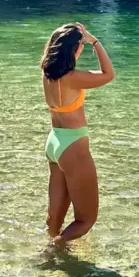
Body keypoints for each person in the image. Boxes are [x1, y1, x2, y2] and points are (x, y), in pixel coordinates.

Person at [40, 22, 114, 242]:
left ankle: (53, 244)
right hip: (73, 146)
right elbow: (108, 74)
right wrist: (95, 41)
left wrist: (74, 43)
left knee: (55, 216)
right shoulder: (72, 78)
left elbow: (58, 56)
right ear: (75, 50)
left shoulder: (46, 72)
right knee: (86, 220)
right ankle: (52, 252)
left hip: (54, 142)